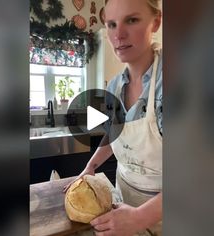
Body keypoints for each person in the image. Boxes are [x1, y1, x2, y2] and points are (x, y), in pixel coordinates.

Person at [64, 0, 162, 235]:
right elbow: (114, 133)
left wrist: (140, 217)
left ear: (155, 22)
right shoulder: (117, 85)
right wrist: (90, 167)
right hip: (123, 198)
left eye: (132, 20)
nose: (118, 35)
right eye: (111, 24)